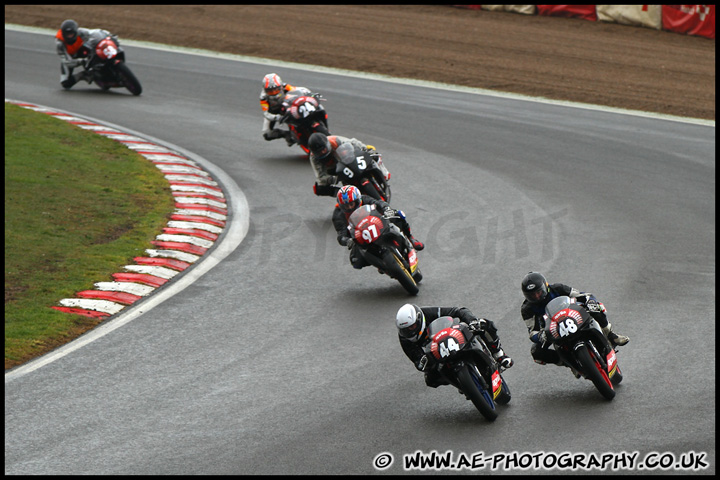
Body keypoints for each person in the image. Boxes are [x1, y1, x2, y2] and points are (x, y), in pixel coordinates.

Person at [520, 271, 629, 372]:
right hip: (551, 329)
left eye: (539, 292)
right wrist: (539, 336)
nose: (537, 296)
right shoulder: (527, 309)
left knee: (595, 307)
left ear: (546, 286)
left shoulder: (558, 288)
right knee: (536, 352)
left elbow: (583, 295)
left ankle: (611, 335)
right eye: (532, 295)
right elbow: (532, 331)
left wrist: (591, 301)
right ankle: (569, 363)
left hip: (572, 316)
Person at [395, 303, 513, 388]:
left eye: (412, 327)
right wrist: (423, 361)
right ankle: (461, 383)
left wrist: (472, 321)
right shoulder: (404, 338)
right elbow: (416, 359)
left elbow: (457, 311)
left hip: (451, 336)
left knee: (485, 325)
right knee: (430, 380)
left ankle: (499, 354)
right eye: (405, 329)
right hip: (434, 351)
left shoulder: (427, 313)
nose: (409, 331)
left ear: (419, 319)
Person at [333, 185, 424, 271]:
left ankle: (411, 238)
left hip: (376, 223)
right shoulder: (338, 215)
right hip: (359, 236)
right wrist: (348, 241)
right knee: (356, 262)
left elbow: (378, 203)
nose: (349, 207)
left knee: (398, 214)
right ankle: (380, 264)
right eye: (346, 206)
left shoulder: (364, 199)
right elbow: (341, 235)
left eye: (351, 204)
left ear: (357, 200)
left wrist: (386, 209)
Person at [307, 132, 387, 197]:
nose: (323, 152)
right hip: (335, 170)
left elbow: (353, 142)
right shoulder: (313, 158)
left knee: (373, 155)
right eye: (319, 152)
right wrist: (333, 179)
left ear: (327, 144)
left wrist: (365, 148)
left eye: (324, 149)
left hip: (346, 159)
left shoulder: (334, 141)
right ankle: (344, 196)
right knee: (319, 189)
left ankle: (384, 172)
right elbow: (320, 177)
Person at [259, 72, 310, 146]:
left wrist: (308, 93)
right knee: (266, 133)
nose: (274, 93)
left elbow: (298, 90)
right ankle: (286, 134)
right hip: (274, 112)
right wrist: (277, 117)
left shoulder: (285, 86)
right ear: (265, 90)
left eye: (276, 90)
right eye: (270, 91)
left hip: (287, 105)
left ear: (280, 87)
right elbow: (266, 113)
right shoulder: (263, 97)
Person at [55, 19, 92, 89]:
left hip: (83, 51)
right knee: (65, 83)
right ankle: (82, 75)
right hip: (70, 57)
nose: (69, 36)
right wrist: (82, 61)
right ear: (63, 34)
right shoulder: (59, 43)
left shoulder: (82, 32)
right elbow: (67, 62)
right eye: (67, 34)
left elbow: (96, 34)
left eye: (71, 34)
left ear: (75, 32)